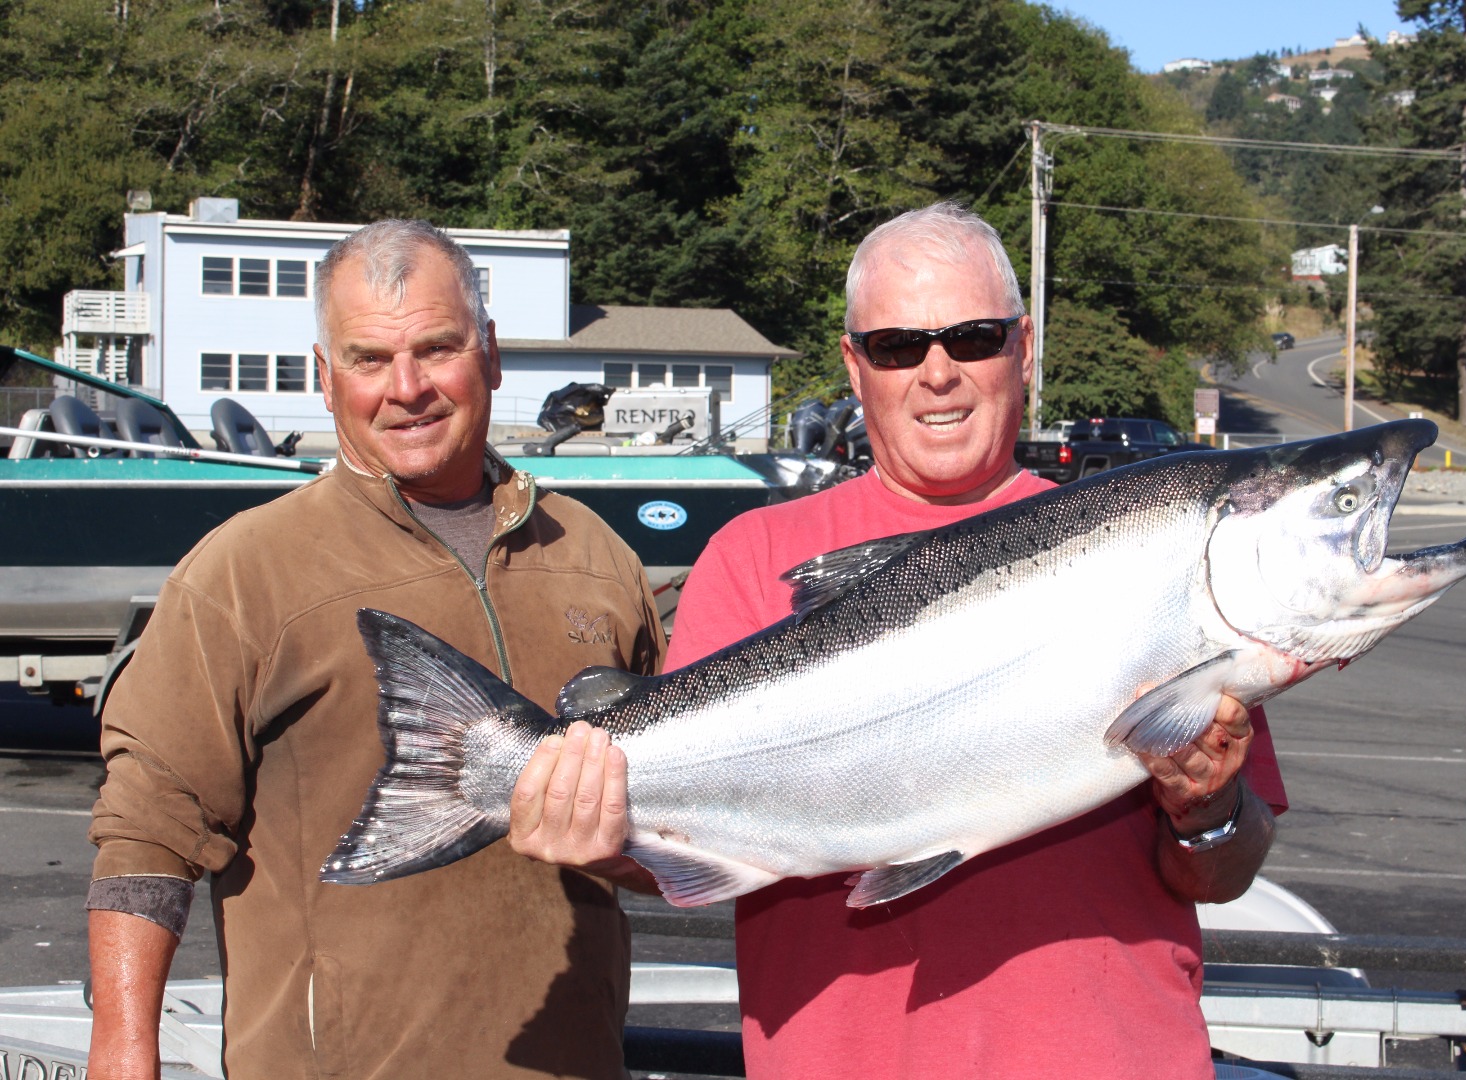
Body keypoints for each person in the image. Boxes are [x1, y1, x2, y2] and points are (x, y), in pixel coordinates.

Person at [514, 201, 1285, 1078]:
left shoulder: (1150, 549)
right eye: (898, 346)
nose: (938, 372)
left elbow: (1225, 871)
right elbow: (681, 862)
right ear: (855, 365)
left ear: (1023, 347)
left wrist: (1210, 810)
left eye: (973, 338)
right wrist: (595, 831)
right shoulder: (753, 559)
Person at [85, 219, 665, 1080]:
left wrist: (631, 845)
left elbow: (672, 826)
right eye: (368, 358)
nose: (407, 388)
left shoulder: (594, 555)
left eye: (437, 348)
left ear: (491, 354)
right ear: (324, 378)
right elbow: (148, 831)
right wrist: (123, 1052)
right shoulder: (243, 572)